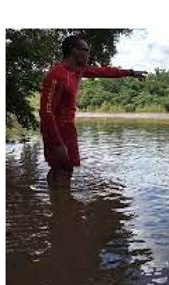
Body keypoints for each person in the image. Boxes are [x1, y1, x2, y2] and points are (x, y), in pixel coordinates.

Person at [40, 35, 147, 187]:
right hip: (56, 129)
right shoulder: (56, 75)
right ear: (74, 51)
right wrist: (57, 143)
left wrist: (131, 72)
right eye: (86, 50)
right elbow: (46, 112)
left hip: (68, 127)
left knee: (64, 169)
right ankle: (61, 206)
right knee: (63, 169)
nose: (89, 54)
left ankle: (58, 204)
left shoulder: (78, 71)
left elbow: (105, 72)